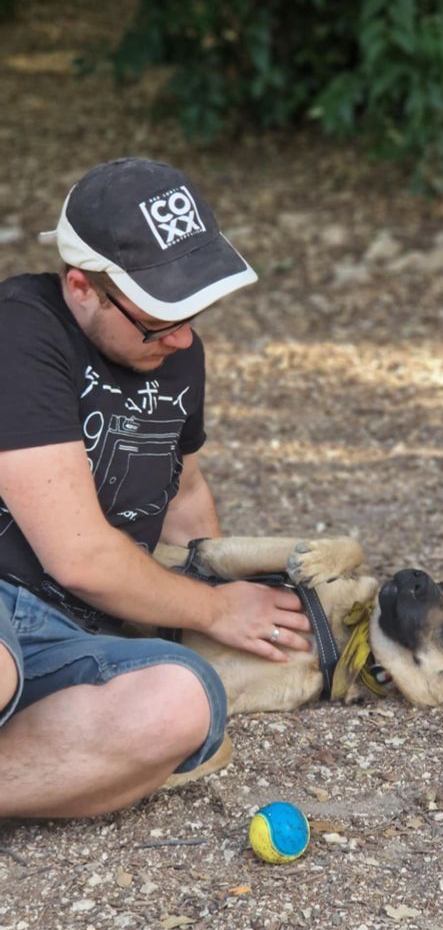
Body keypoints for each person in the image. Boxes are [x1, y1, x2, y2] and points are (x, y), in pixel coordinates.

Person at [0, 157, 310, 820]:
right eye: (158, 318)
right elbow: (80, 557)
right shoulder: (19, 331)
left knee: (182, 703)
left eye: (193, 308)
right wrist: (214, 609)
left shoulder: (175, 351)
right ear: (82, 286)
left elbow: (182, 494)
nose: (182, 336)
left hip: (76, 636)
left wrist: (234, 608)